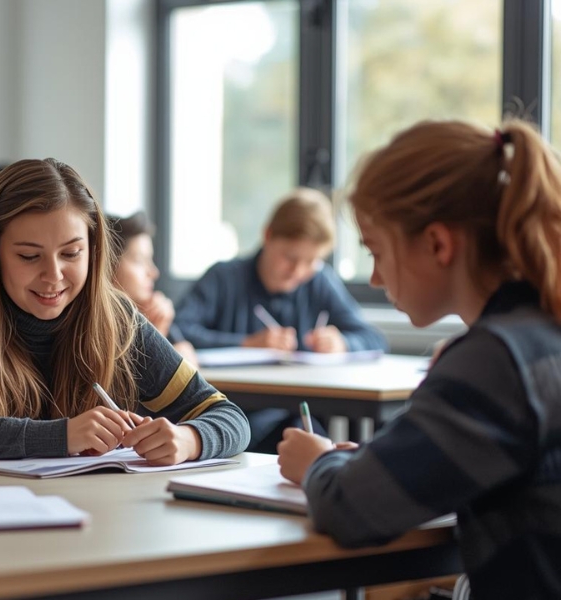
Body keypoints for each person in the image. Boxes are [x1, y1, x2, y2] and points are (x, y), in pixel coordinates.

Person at [277, 119, 561, 599]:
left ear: (437, 244)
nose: (373, 279)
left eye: (377, 251)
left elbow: (350, 508)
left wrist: (317, 464)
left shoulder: (494, 361)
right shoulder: (538, 333)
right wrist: (375, 460)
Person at [0, 158, 250, 462]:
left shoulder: (116, 319)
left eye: (71, 253)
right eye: (29, 256)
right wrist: (60, 436)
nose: (53, 275)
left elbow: (229, 417)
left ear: (93, 250)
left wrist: (190, 440)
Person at [173, 187, 388, 452]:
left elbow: (373, 337)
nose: (298, 271)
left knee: (307, 435)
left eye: (311, 261)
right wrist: (246, 343)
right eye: (290, 258)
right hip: (231, 417)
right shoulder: (224, 277)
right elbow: (179, 331)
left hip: (297, 414)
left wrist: (342, 343)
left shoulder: (319, 281)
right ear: (267, 236)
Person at [106, 210, 199, 365]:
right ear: (108, 265)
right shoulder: (96, 329)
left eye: (150, 260)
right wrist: (155, 337)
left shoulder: (147, 314)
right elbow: (126, 385)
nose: (153, 273)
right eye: (139, 261)